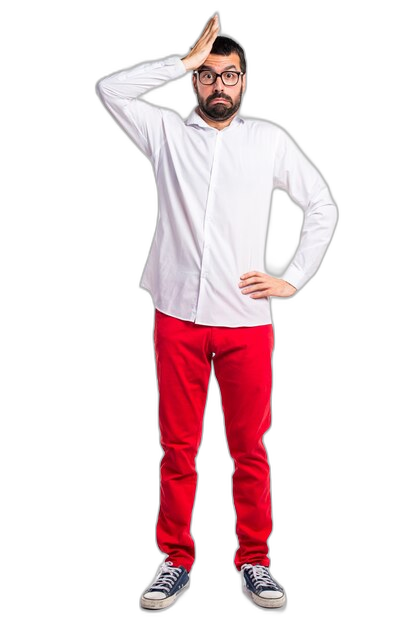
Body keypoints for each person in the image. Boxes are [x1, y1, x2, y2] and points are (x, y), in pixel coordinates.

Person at [96, 13, 338, 612]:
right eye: (208, 75)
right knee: (177, 449)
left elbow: (321, 204)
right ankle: (175, 560)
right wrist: (181, 59)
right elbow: (110, 89)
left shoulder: (267, 141)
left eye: (229, 74)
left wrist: (292, 279)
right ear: (195, 82)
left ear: (245, 81)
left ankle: (255, 560)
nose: (219, 84)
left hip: (247, 323)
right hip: (176, 317)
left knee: (249, 449)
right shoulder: (165, 134)